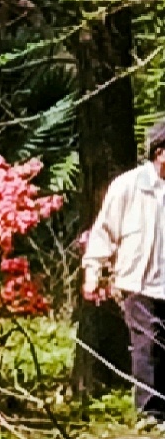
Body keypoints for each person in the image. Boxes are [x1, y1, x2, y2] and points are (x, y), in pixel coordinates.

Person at [82, 120, 165, 420]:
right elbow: (104, 231)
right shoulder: (129, 186)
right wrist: (93, 270)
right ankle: (149, 414)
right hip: (138, 283)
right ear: (160, 152)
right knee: (147, 347)